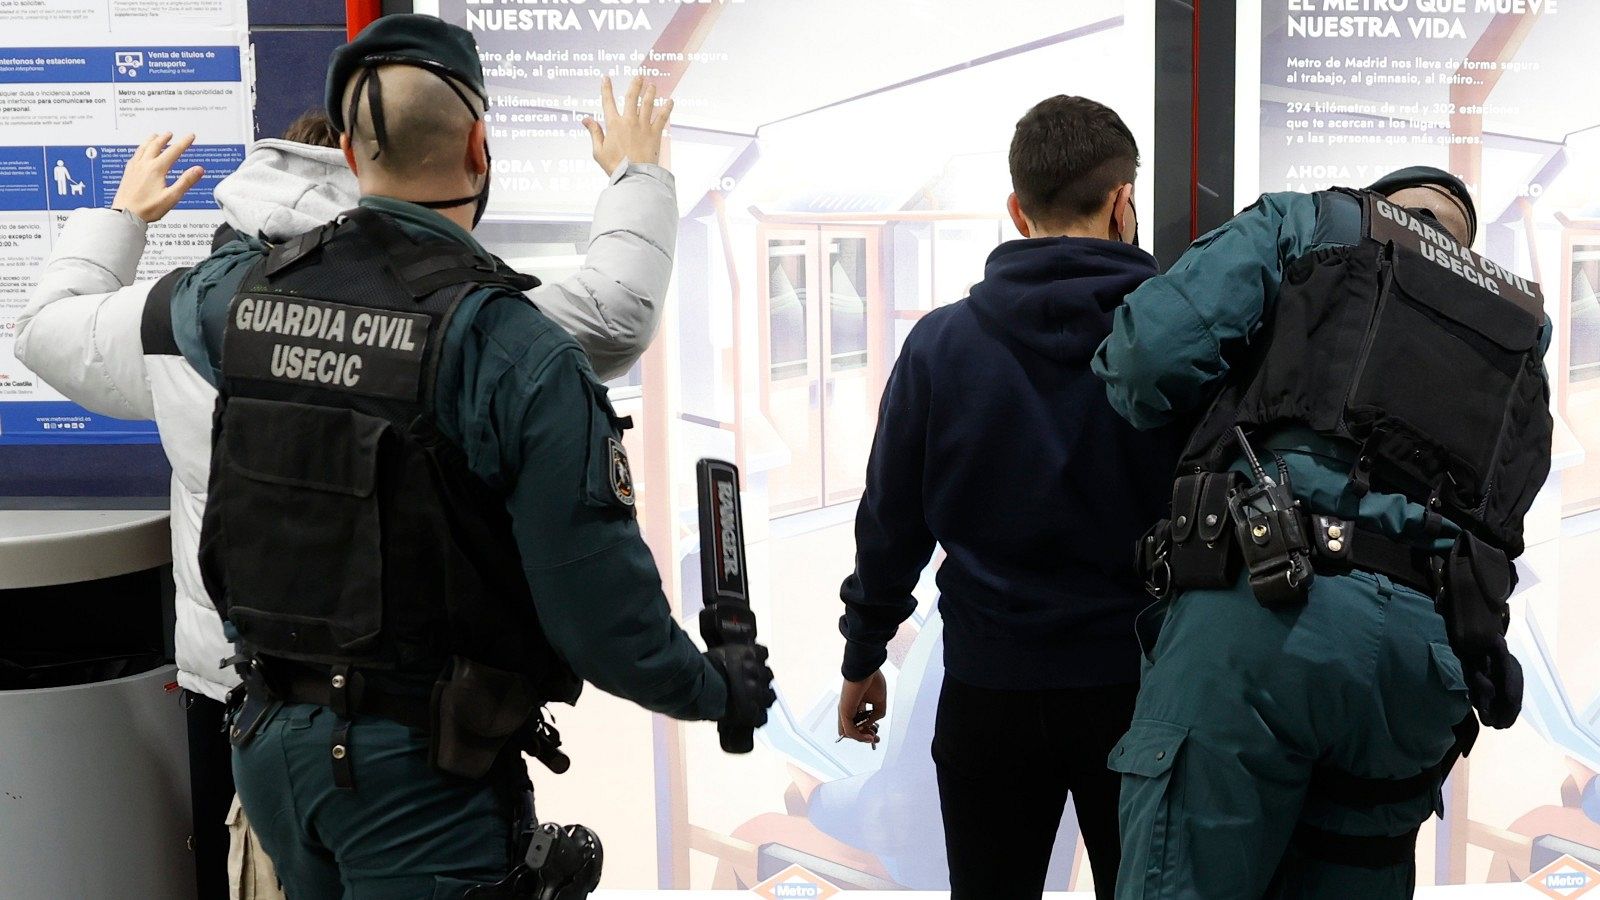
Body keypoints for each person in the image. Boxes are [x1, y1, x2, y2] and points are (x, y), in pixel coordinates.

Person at [16, 67, 689, 900]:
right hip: (410, 719)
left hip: (240, 698)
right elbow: (614, 311)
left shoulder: (184, 313)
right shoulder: (454, 321)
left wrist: (121, 218)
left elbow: (47, 331)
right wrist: (638, 176)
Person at [187, 15, 771, 896]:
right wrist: (717, 688)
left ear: (348, 151)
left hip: (270, 756)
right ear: (481, 146)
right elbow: (602, 621)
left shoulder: (237, 297)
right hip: (416, 779)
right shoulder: (511, 350)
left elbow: (168, 304)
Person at [1093, 167, 1553, 897]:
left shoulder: (1313, 223)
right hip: (1423, 664)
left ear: (1382, 206)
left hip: (1267, 614)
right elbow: (1509, 513)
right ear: (1464, 244)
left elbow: (1147, 361)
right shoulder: (1523, 329)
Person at [833, 95, 1186, 899]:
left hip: (990, 690)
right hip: (1142, 695)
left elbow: (890, 522)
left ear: (1016, 210)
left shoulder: (940, 345)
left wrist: (863, 654)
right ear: (1124, 201)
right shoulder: (1176, 345)